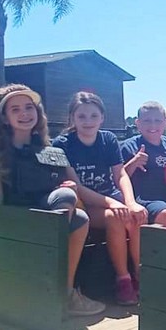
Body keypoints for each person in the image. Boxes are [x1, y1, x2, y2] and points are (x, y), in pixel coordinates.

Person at [0, 84, 105, 317]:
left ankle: (65, 291)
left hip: (48, 215)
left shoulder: (49, 151)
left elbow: (72, 186)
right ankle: (47, 285)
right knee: (71, 209)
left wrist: (71, 188)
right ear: (4, 117)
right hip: (17, 220)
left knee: (79, 216)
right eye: (15, 109)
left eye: (29, 107)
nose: (24, 114)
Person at [52, 92, 144, 306]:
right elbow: (77, 187)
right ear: (72, 118)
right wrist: (112, 203)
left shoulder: (108, 139)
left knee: (137, 216)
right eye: (81, 116)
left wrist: (130, 202)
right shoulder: (62, 144)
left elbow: (120, 175)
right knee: (115, 217)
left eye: (94, 116)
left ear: (102, 117)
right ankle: (123, 280)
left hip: (110, 196)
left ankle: (140, 275)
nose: (88, 121)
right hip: (85, 203)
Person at [120, 101, 166, 228]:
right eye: (147, 121)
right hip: (145, 198)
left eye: (157, 121)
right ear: (138, 123)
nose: (153, 125)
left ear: (165, 122)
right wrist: (133, 163)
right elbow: (117, 179)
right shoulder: (129, 146)